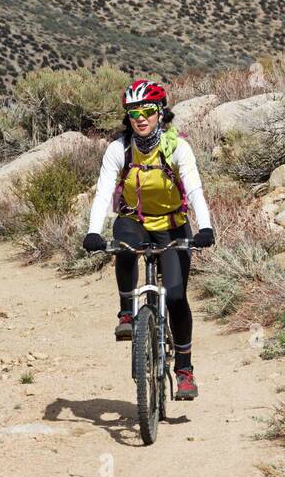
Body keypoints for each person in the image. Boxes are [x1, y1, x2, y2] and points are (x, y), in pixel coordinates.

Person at [82, 79, 215, 400]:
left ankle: (184, 370)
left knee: (177, 298)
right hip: (135, 220)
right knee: (124, 245)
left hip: (172, 226)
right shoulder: (119, 149)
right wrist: (93, 231)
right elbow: (102, 193)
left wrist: (205, 227)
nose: (140, 118)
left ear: (160, 113)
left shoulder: (177, 147)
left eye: (147, 111)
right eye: (133, 113)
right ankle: (127, 312)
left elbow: (194, 189)